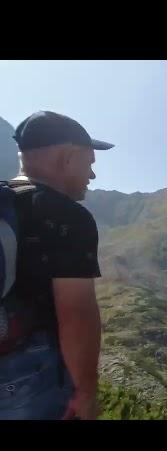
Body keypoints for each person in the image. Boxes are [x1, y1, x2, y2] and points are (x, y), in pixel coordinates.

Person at [0, 111, 113, 420]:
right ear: (68, 157)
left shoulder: (5, 200)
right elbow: (76, 314)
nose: (92, 175)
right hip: (27, 381)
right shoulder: (65, 215)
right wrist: (87, 392)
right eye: (89, 163)